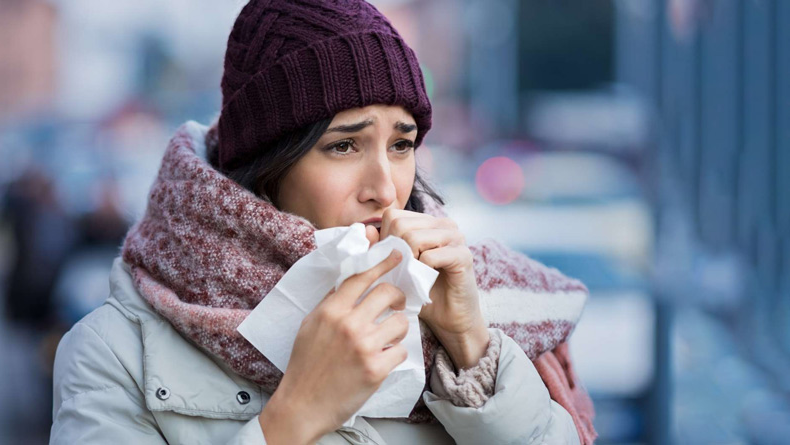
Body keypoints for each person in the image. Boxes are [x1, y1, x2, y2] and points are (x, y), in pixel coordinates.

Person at [51, 1, 598, 443]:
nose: (385, 188)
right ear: (267, 164)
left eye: (402, 144)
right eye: (343, 146)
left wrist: (471, 345)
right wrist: (291, 419)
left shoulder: (464, 298)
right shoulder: (115, 353)